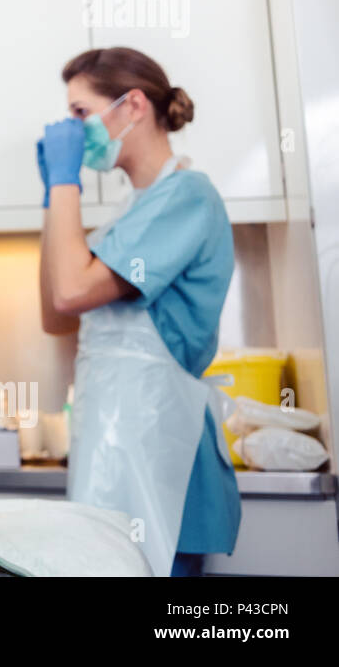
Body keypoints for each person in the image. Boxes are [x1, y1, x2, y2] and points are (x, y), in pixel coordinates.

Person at [38, 47, 240, 577]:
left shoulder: (187, 198)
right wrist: (52, 198)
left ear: (132, 107)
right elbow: (55, 316)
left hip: (158, 459)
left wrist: (65, 184)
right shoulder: (129, 212)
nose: (74, 129)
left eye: (81, 113)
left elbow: (70, 294)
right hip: (111, 450)